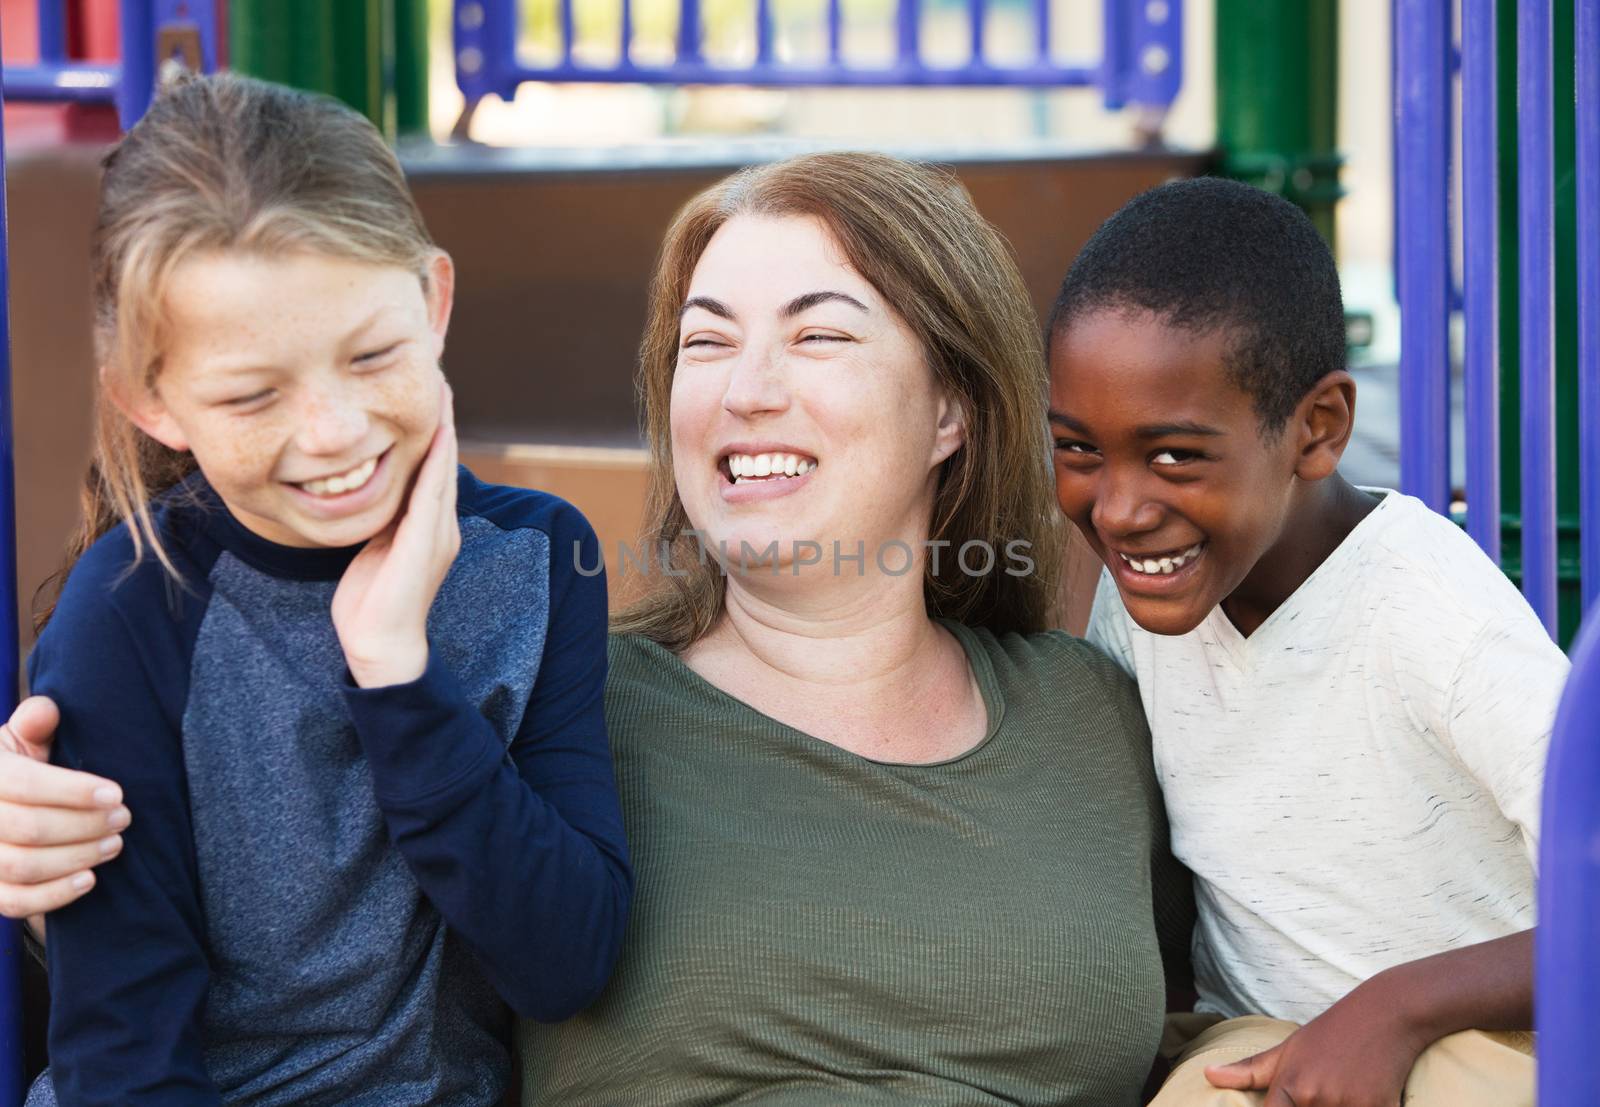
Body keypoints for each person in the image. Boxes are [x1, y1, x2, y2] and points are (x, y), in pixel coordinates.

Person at [0, 151, 1193, 1105]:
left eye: (818, 333)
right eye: (705, 340)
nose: (745, 388)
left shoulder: (1091, 709)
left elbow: (1216, 993)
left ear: (951, 407)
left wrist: (1227, 1064)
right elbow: (223, 934)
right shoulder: (563, 699)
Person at [16, 74, 631, 1105]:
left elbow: (568, 962)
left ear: (433, 302)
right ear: (151, 400)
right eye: (254, 395)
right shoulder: (129, 615)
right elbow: (125, 1061)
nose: (335, 433)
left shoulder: (537, 557)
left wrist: (398, 676)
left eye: (373, 354)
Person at [1045, 177, 1566, 1107]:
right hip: (1260, 1043)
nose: (1119, 510)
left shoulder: (1434, 614)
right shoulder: (1145, 592)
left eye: (1174, 455)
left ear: (1316, 429)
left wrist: (1397, 1008)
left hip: (1489, 1036)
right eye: (1080, 449)